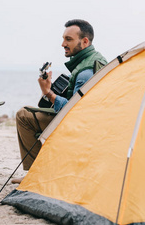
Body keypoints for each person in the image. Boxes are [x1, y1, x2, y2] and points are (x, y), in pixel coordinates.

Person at [12, 19, 107, 184]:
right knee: (31, 110)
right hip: (92, 123)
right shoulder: (96, 59)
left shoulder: (85, 71)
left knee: (23, 115)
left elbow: (74, 112)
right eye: (63, 38)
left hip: (78, 127)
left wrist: (48, 92)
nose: (63, 43)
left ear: (84, 41)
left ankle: (37, 174)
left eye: (69, 39)